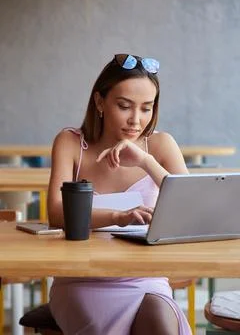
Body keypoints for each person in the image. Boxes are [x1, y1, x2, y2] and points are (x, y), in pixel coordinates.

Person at [48, 54, 192, 335]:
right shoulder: (70, 143)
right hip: (82, 279)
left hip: (146, 278)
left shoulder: (161, 145)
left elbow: (191, 208)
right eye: (124, 106)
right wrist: (119, 217)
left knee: (162, 325)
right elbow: (56, 213)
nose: (135, 120)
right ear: (100, 102)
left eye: (146, 108)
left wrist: (146, 162)